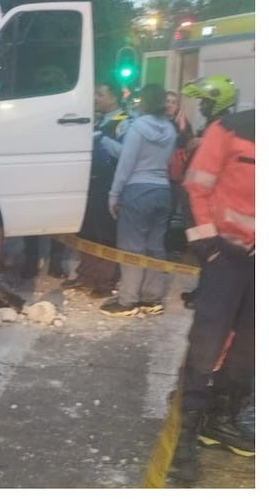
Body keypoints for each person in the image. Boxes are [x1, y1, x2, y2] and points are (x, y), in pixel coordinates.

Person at [169, 106, 254, 483]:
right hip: (226, 258)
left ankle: (219, 419)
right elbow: (195, 188)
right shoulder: (232, 128)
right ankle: (186, 429)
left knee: (250, 346)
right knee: (208, 341)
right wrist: (211, 249)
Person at [100, 84, 177, 317]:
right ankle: (151, 298)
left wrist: (114, 194)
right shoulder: (170, 129)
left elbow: (126, 163)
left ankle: (128, 300)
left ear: (143, 101)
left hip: (137, 190)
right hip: (163, 191)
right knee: (155, 246)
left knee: (131, 247)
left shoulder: (138, 128)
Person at [63, 81, 133, 297]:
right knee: (87, 231)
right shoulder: (96, 120)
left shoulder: (126, 123)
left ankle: (105, 280)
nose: (95, 98)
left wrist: (103, 140)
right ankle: (86, 275)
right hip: (88, 183)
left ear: (113, 98)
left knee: (105, 233)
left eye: (100, 94)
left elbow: (126, 155)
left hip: (107, 183)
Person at [177, 75, 239, 309]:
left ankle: (209, 294)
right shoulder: (215, 126)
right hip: (199, 200)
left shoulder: (224, 127)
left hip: (208, 204)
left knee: (209, 250)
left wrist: (201, 143)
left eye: (205, 101)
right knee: (202, 249)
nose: (201, 106)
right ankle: (204, 290)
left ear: (218, 101)